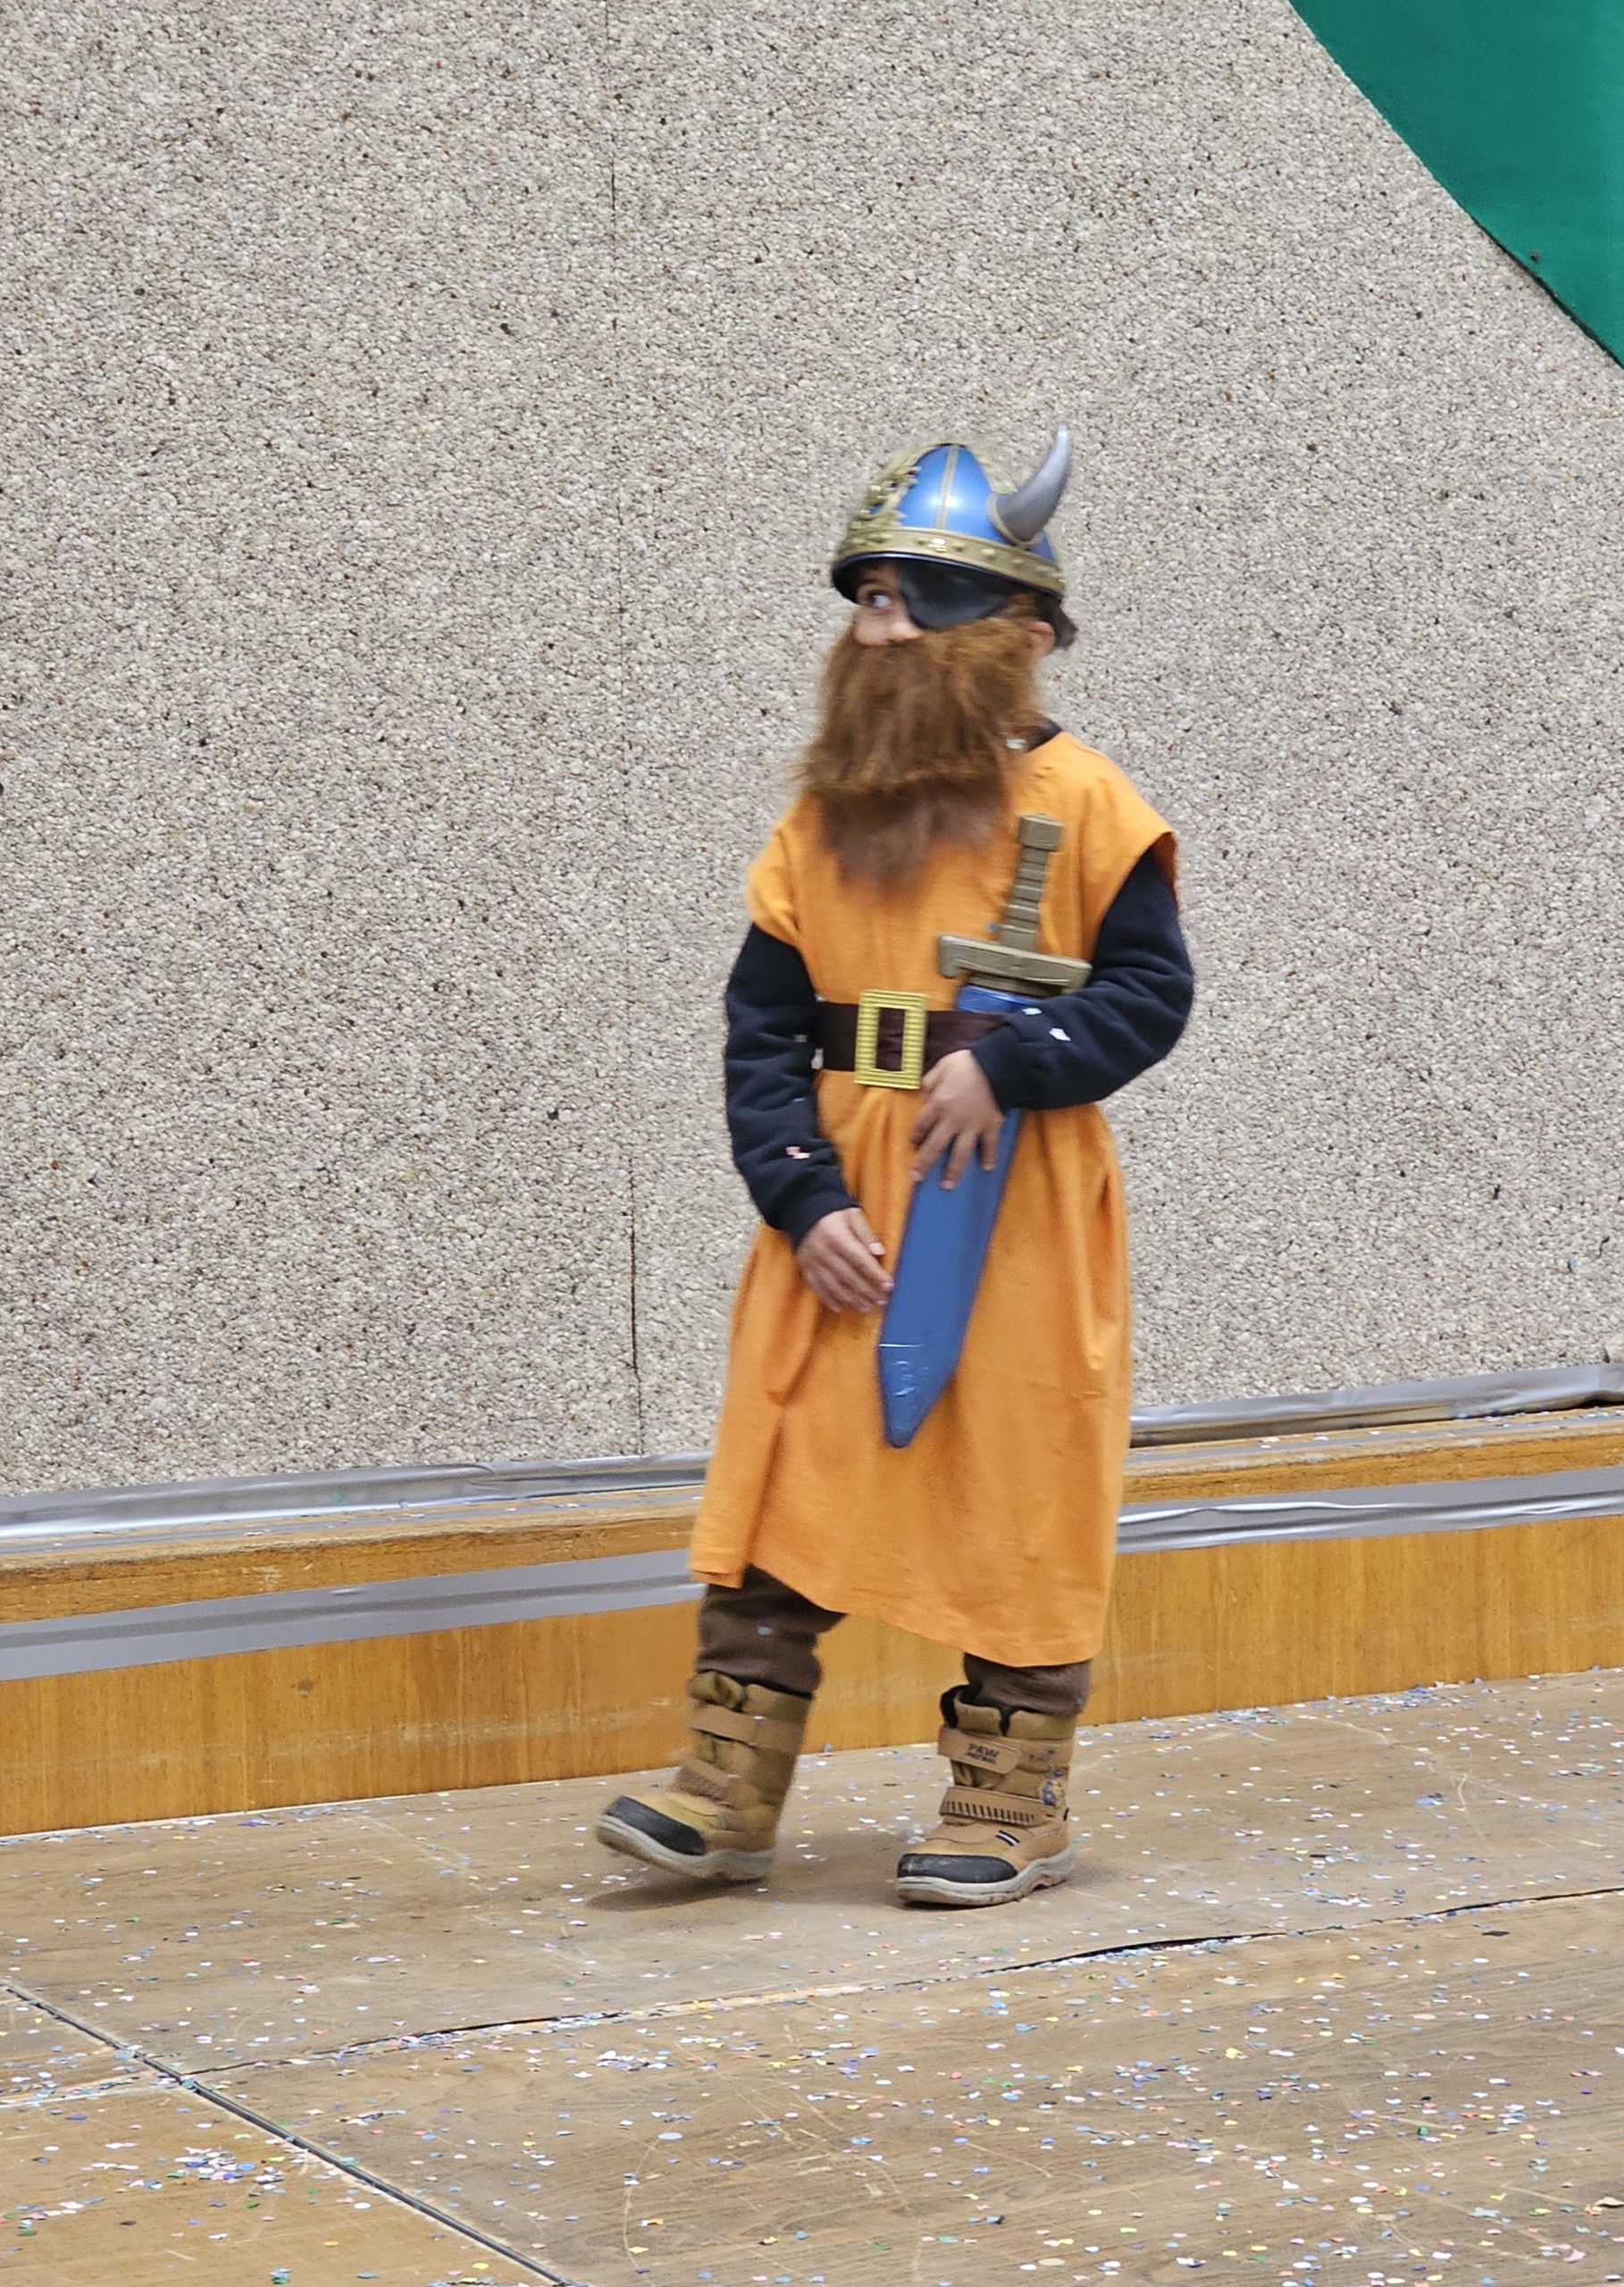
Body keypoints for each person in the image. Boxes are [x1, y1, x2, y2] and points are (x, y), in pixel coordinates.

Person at [599, 432, 1194, 1907]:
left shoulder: (1092, 806)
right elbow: (761, 1029)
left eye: (912, 599)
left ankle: (1010, 1796)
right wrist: (801, 1196)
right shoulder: (820, 820)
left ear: (1022, 635)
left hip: (1014, 1208)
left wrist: (1014, 1062)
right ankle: (728, 1787)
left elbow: (1148, 994)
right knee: (786, 1472)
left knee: (1020, 1486)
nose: (875, 630)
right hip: (844, 1203)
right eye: (866, 599)